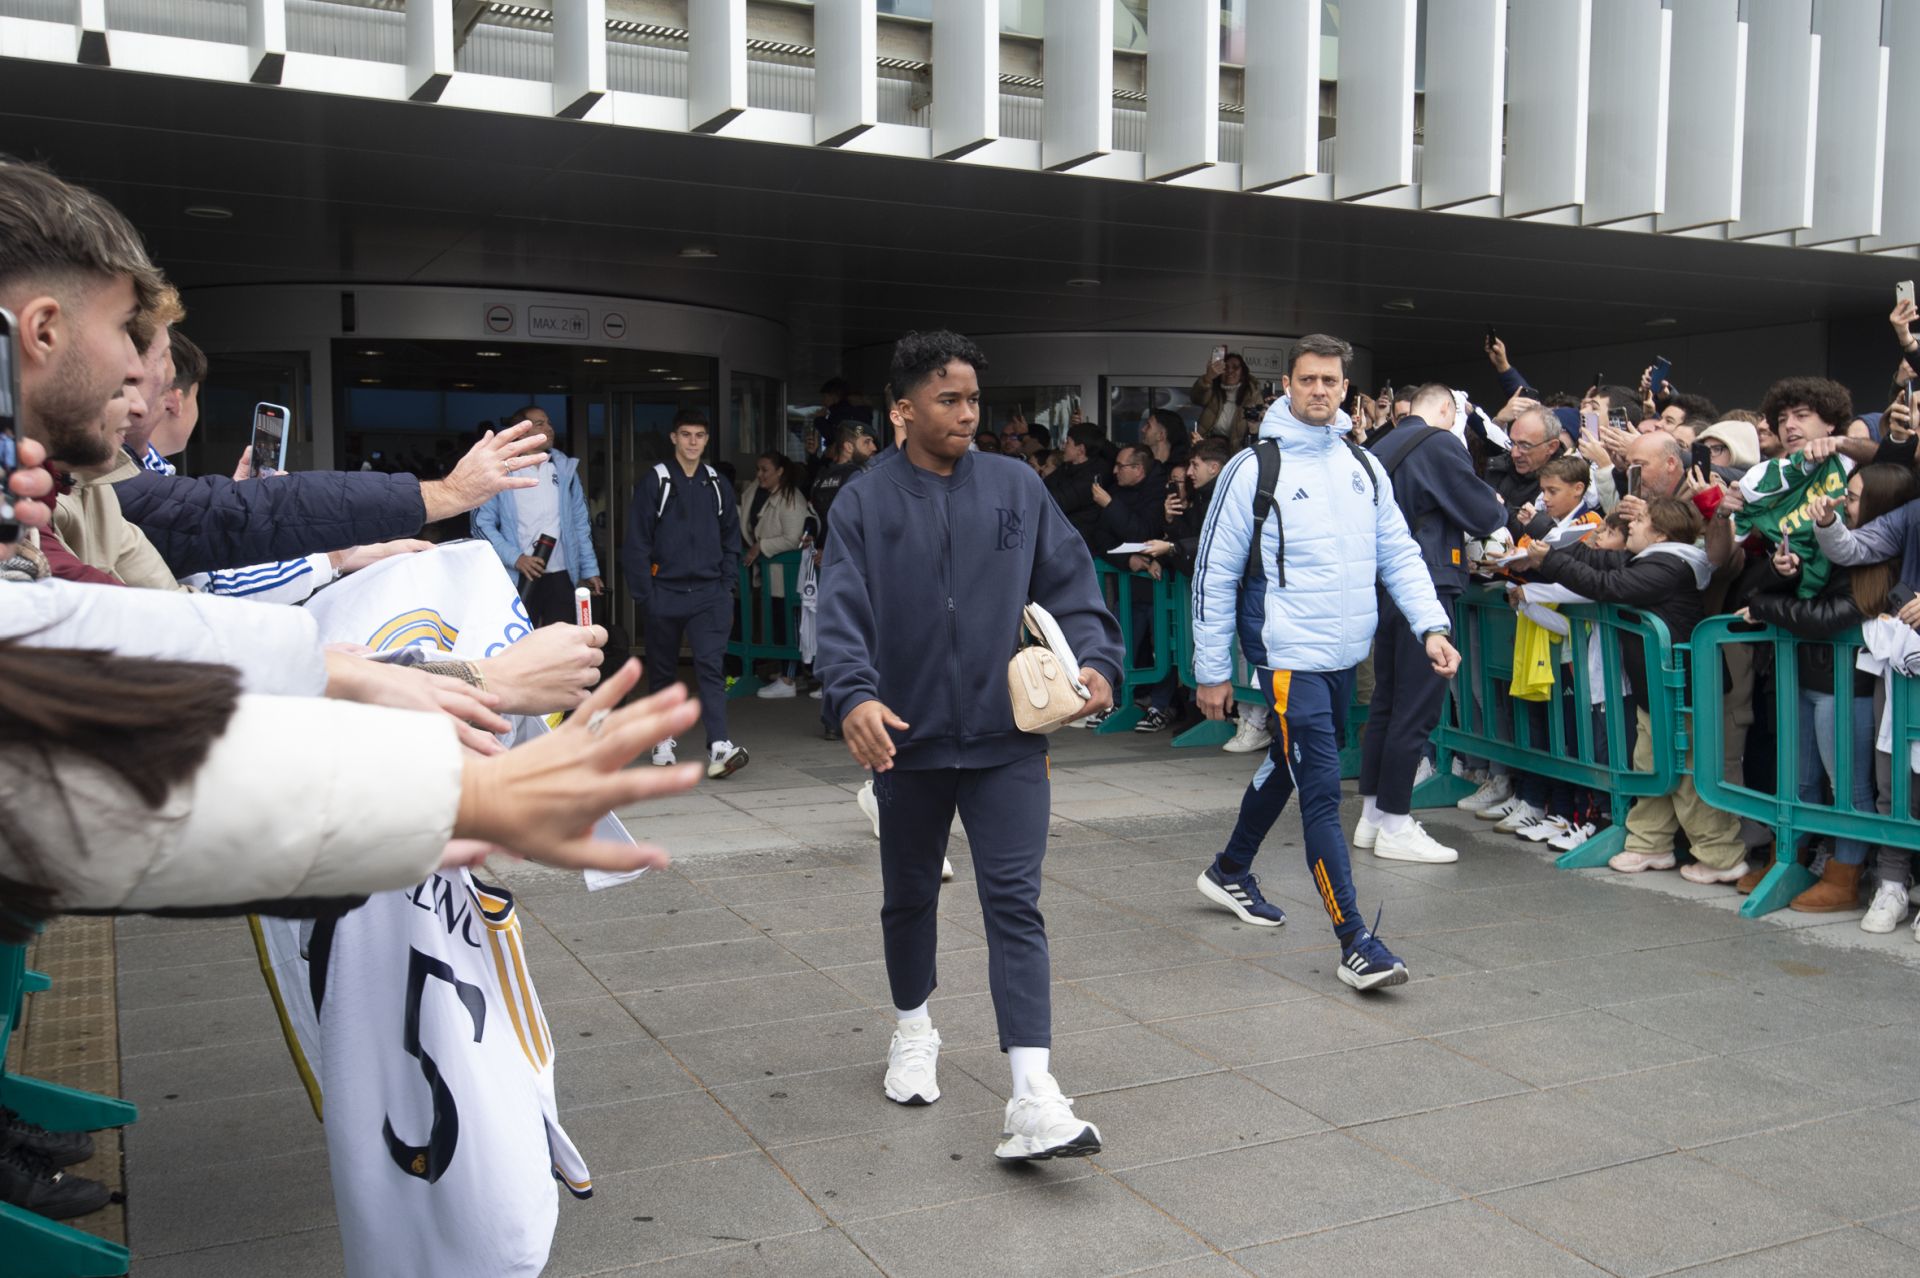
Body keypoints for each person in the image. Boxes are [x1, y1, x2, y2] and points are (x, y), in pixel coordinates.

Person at [815, 329, 1123, 1162]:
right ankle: (914, 1028)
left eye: (974, 401)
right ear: (901, 410)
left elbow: (1069, 580)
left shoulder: (1017, 486)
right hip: (906, 743)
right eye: (947, 400)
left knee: (1014, 905)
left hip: (1008, 739)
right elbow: (840, 613)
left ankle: (1033, 1094)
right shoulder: (863, 501)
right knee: (909, 896)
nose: (966, 414)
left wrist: (1096, 661)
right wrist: (854, 695)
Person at [1190, 334, 1459, 992]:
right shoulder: (1254, 468)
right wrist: (1211, 670)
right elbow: (1213, 572)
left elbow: (1398, 553)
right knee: (1319, 794)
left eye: (1330, 382)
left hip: (1341, 655)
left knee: (1288, 761)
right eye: (1308, 379)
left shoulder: (1361, 466)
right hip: (1285, 658)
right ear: (1288, 384)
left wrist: (1431, 624)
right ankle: (1355, 941)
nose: (1319, 390)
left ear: (1345, 390)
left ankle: (1230, 870)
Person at [1521, 497, 1747, 881]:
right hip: (1656, 688)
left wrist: (1550, 562)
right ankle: (1650, 845)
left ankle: (1721, 857)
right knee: (1650, 766)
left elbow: (1610, 584)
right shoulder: (1651, 559)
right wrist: (1543, 534)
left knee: (1690, 775)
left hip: (1685, 690)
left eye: (1639, 520)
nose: (1632, 527)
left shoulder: (1671, 565)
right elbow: (1599, 562)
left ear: (1660, 532)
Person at [1744, 465, 1915, 918]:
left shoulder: (1885, 563)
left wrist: (1764, 607)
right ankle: (1792, 859)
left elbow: (1827, 616)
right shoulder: (1825, 543)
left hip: (1849, 689)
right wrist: (1784, 573)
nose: (1843, 503)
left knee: (1851, 788)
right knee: (1801, 782)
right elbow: (1785, 594)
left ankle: (1847, 873)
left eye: (1855, 497)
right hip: (1806, 677)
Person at [1355, 383, 1505, 863]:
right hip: (1427, 583)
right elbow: (1485, 513)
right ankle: (1397, 823)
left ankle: (1374, 814)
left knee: (1387, 702)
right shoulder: (1440, 442)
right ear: (1447, 409)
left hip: (1384, 585)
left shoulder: (1380, 445)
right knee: (1415, 709)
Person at [622, 408, 747, 779]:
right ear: (674, 438)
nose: (693, 442)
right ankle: (661, 739)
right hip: (665, 592)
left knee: (711, 668)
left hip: (710, 593)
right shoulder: (656, 482)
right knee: (662, 670)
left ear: (706, 440)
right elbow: (637, 542)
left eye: (700, 436)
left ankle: (720, 746)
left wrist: (726, 585)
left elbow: (731, 539)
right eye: (686, 435)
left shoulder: (716, 484)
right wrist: (646, 594)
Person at [471, 405, 603, 626]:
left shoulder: (565, 470)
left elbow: (580, 523)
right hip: (518, 574)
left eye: (549, 422)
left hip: (562, 574)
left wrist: (590, 569)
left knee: (561, 644)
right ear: (521, 432)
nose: (550, 428)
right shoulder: (500, 471)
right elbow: (481, 526)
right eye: (540, 424)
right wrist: (516, 558)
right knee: (520, 644)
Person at [742, 451, 811, 698]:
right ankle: (790, 674)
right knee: (780, 624)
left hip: (788, 575)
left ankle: (789, 678)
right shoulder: (756, 492)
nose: (759, 475)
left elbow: (795, 538)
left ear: (780, 471)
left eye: (765, 470)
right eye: (758, 469)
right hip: (772, 574)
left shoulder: (791, 499)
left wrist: (761, 546)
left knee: (790, 625)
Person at [1191, 347, 1256, 447]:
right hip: (1209, 445)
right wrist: (1208, 378)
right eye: (1225, 367)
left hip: (1237, 450)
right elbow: (1196, 398)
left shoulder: (1252, 393)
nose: (1230, 370)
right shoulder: (1213, 389)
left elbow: (1257, 426)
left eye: (1235, 367)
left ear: (1242, 373)